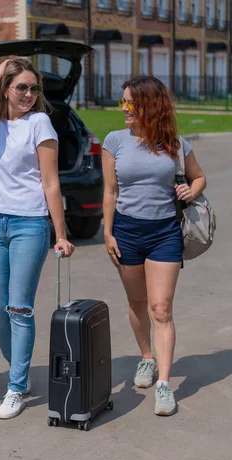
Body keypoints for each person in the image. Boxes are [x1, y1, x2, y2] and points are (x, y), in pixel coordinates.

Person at [0, 58, 75, 420]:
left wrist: (60, 234)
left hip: (29, 224)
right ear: (7, 90)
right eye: (21, 88)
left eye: (34, 88)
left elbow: (50, 182)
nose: (29, 94)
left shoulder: (40, 123)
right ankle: (19, 364)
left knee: (19, 307)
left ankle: (16, 385)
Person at [102, 76, 206, 416]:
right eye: (123, 102)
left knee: (161, 309)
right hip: (127, 232)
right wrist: (108, 232)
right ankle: (146, 357)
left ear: (149, 105)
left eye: (129, 102)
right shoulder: (114, 141)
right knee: (137, 302)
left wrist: (192, 190)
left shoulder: (174, 143)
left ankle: (164, 383)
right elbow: (110, 192)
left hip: (164, 233)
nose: (123, 109)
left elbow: (199, 176)